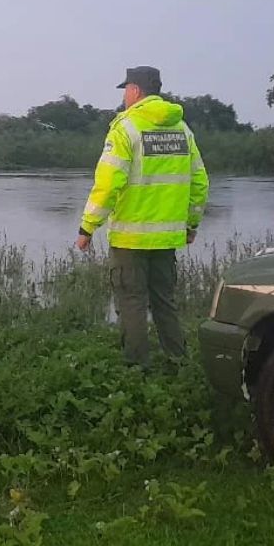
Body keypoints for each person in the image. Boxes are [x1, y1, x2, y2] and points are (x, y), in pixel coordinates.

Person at [75, 66, 209, 368]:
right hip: (167, 238)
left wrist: (87, 228)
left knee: (132, 303)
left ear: (135, 90)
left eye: (126, 89)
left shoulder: (125, 129)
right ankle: (179, 362)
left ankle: (137, 371)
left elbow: (108, 184)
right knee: (165, 302)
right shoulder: (182, 130)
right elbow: (200, 182)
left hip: (130, 238)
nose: (124, 96)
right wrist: (191, 224)